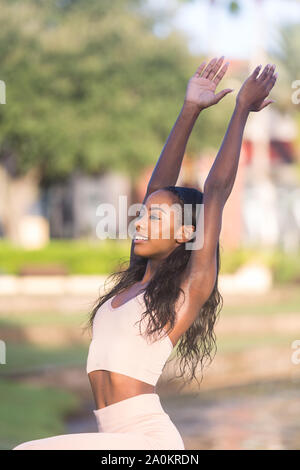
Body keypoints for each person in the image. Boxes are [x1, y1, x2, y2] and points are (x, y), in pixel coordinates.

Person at [13, 56, 277, 450]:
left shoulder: (189, 291)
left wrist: (240, 110)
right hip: (114, 438)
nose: (141, 222)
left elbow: (217, 191)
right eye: (143, 215)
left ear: (187, 232)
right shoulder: (137, 282)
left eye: (155, 218)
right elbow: (159, 186)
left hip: (147, 442)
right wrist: (189, 109)